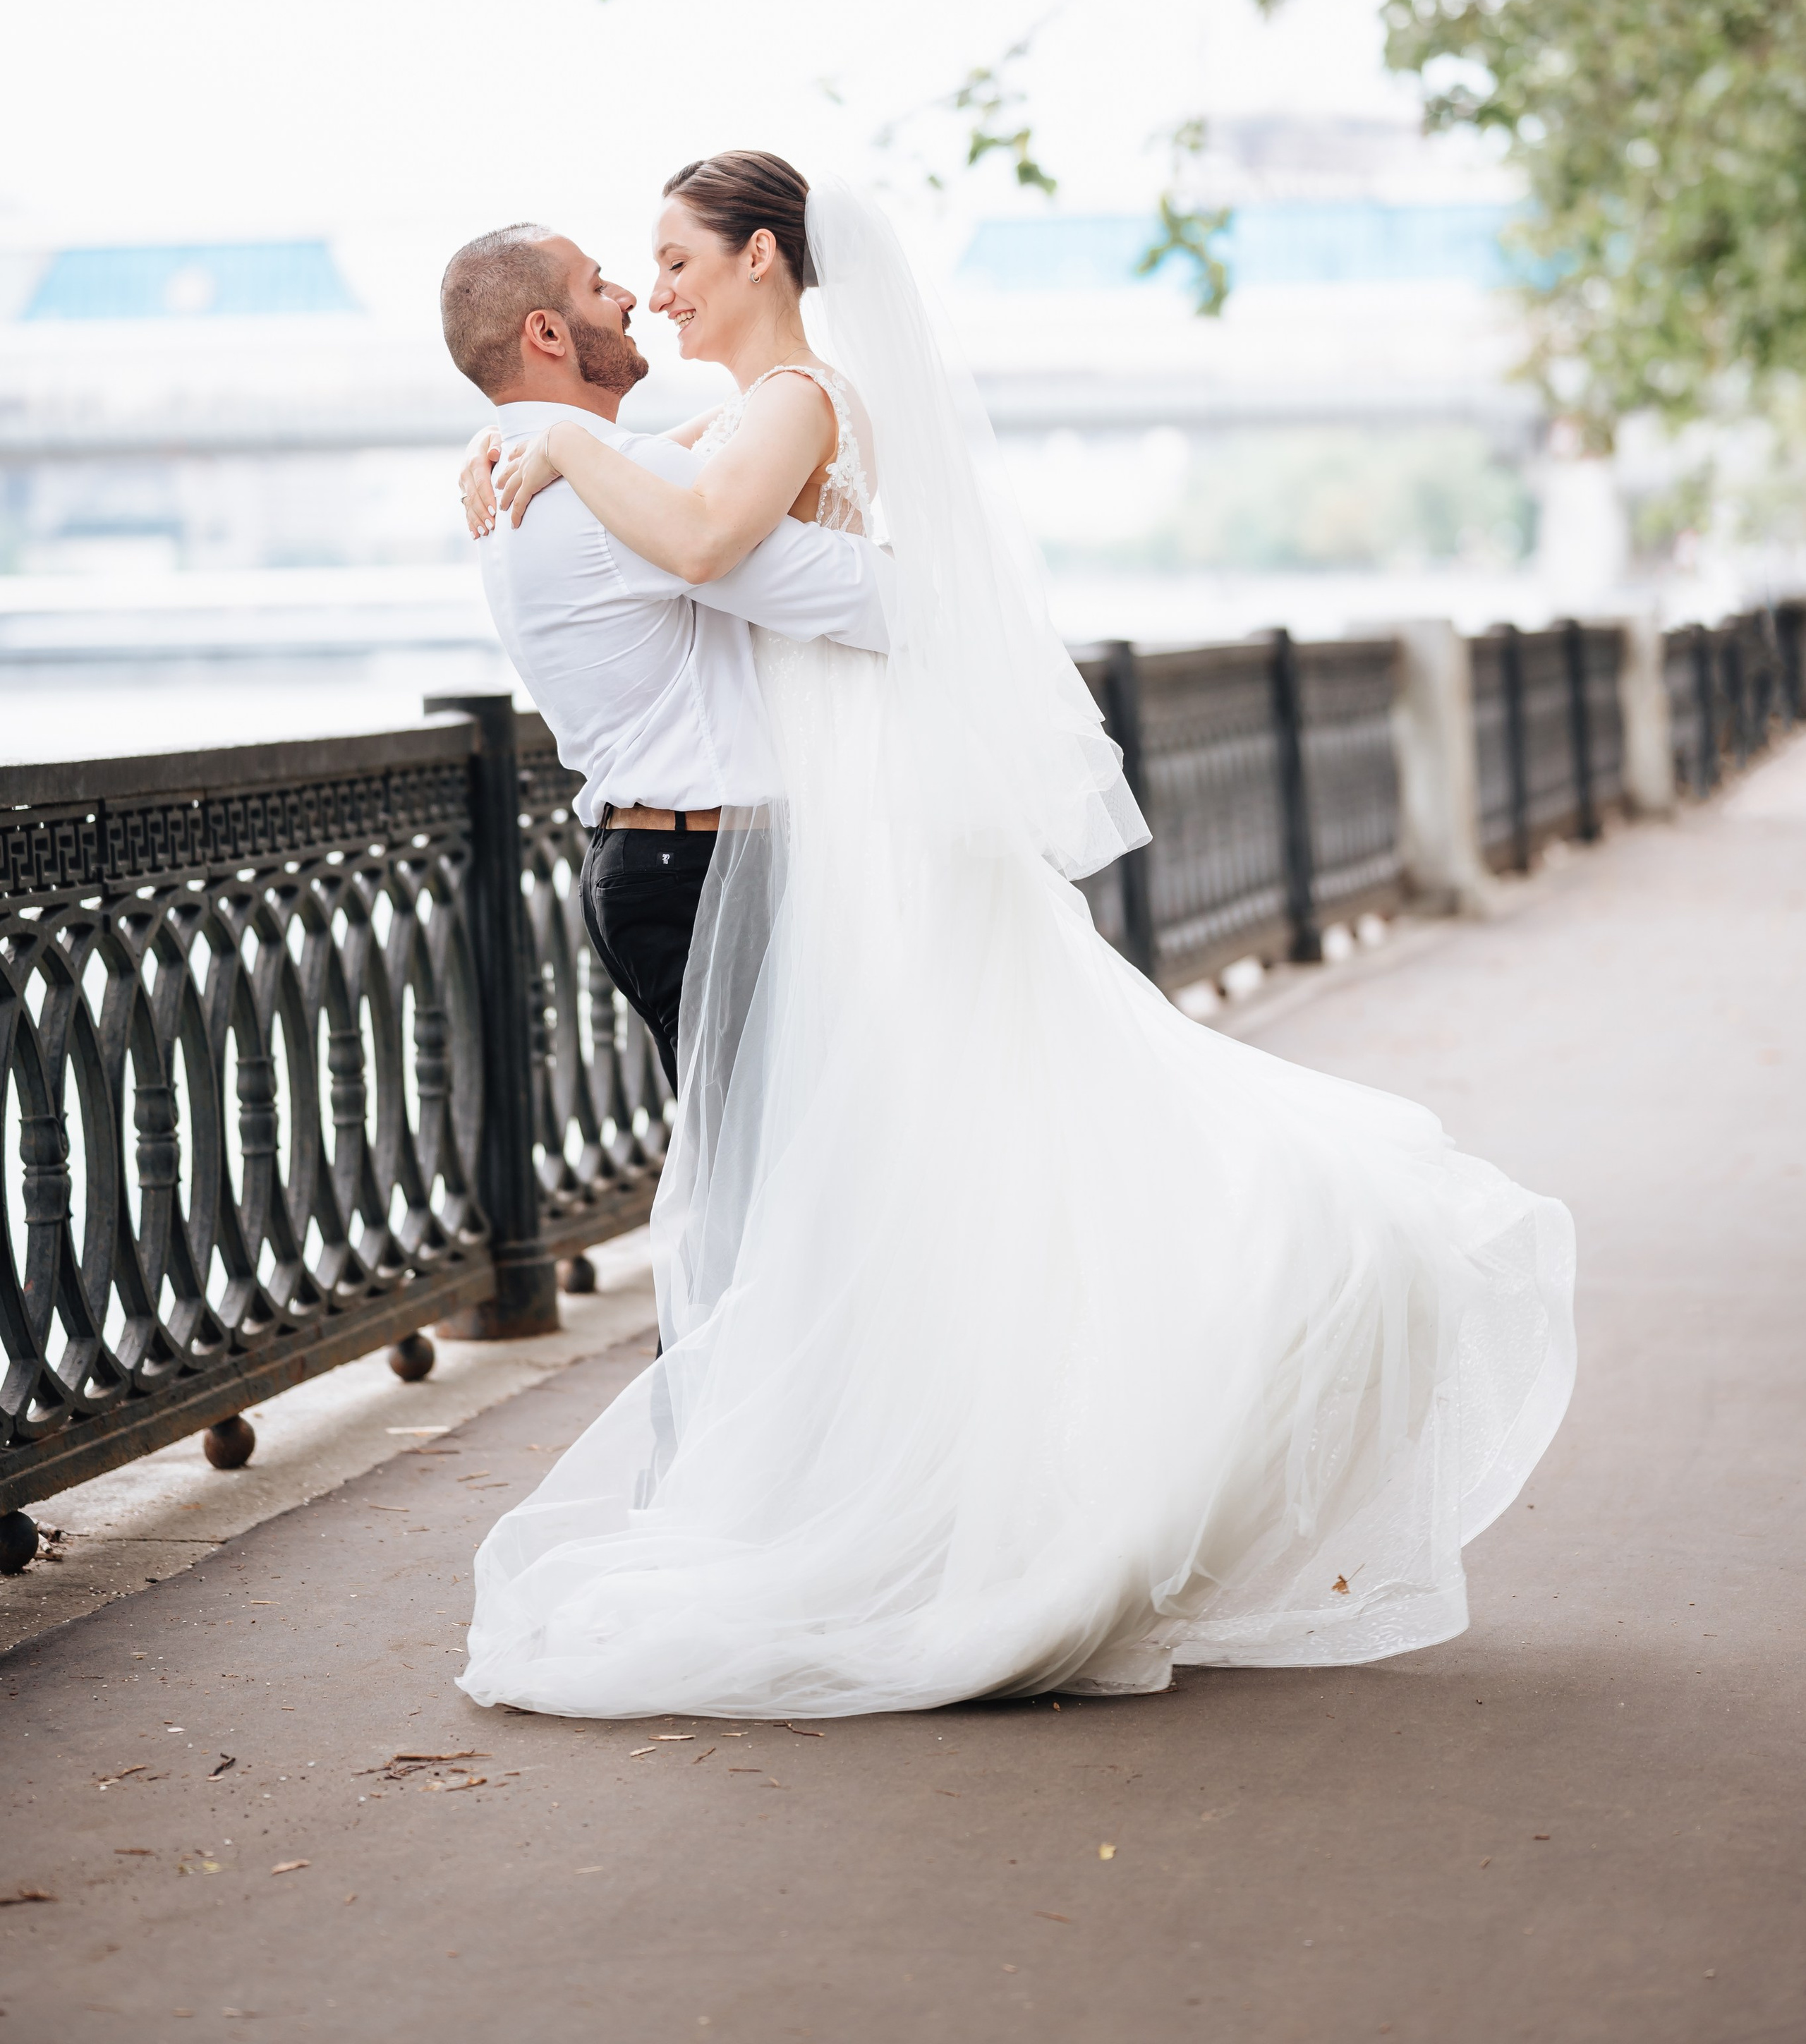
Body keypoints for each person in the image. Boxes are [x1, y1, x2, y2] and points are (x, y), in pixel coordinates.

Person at [456, 155, 1576, 1720]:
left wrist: (568, 434)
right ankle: (852, 1507)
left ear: (762, 255)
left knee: (839, 1204)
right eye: (617, 274)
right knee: (839, 1206)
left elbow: (729, 551)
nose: (648, 287)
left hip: (779, 862)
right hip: (737, 866)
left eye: (669, 255)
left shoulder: (766, 407)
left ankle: (872, 1514)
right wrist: (587, 447)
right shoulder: (679, 434)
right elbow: (764, 564)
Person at [438, 217, 895, 1094]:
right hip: (700, 875)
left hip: (664, 865)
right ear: (547, 333)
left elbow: (714, 448)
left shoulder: (539, 468)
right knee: (774, 1179)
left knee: (761, 1170)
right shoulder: (604, 492)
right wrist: (937, 594)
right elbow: (857, 598)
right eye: (600, 283)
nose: (632, 298)